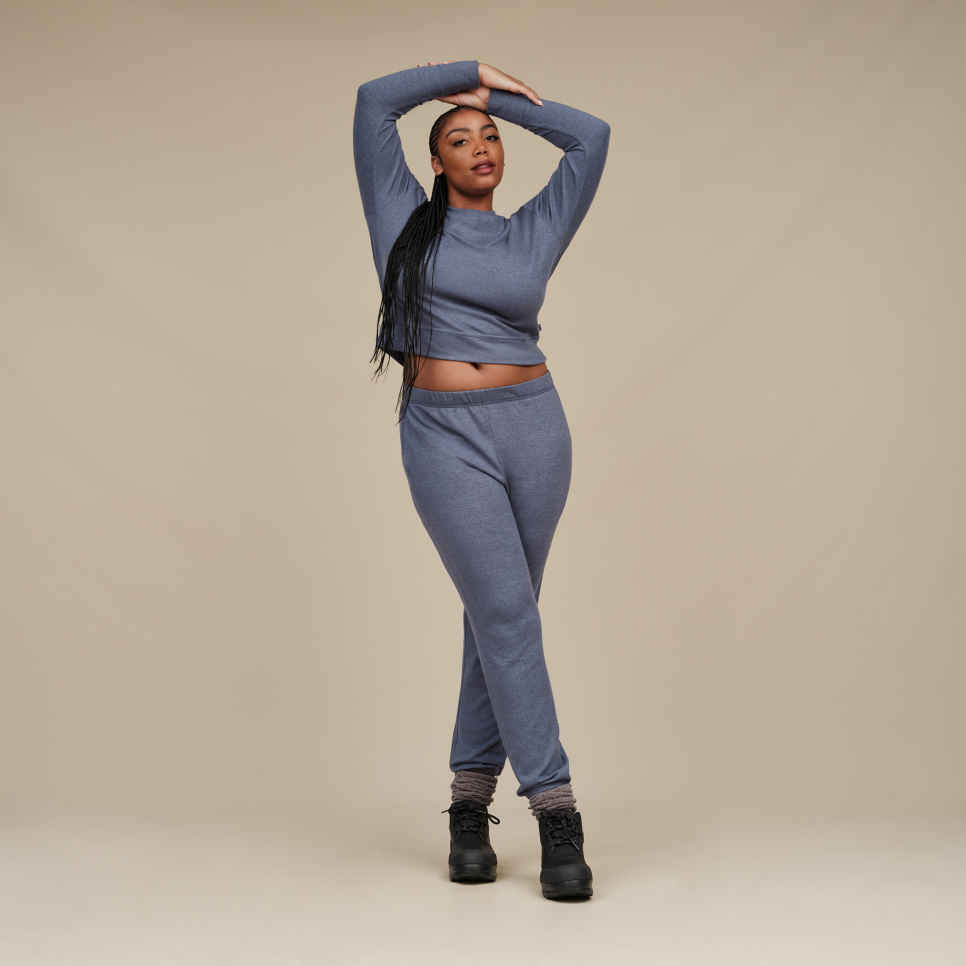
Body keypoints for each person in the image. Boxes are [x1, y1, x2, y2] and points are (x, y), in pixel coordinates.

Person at [352, 58, 610, 900]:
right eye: (460, 139)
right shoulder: (402, 219)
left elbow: (592, 138)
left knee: (500, 617)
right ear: (435, 162)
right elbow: (373, 103)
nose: (481, 145)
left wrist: (504, 102)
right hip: (442, 434)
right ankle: (556, 809)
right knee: (506, 614)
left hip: (534, 427)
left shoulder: (533, 230)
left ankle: (469, 806)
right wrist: (463, 76)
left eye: (490, 136)